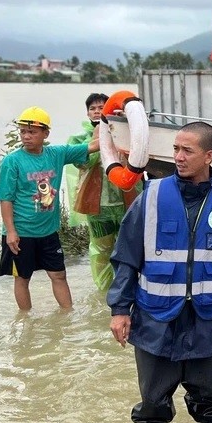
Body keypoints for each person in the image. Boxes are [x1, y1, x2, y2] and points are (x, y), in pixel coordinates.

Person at [107, 122, 212, 423]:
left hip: (208, 322)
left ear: (209, 156)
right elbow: (126, 258)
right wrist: (119, 309)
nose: (178, 156)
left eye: (187, 150)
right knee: (153, 402)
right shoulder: (151, 197)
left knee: (211, 400)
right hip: (155, 321)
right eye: (176, 149)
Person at [0, 106, 99, 311]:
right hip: (21, 232)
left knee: (59, 274)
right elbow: (5, 199)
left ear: (46, 134)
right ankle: (26, 321)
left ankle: (68, 316)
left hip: (48, 232)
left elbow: (93, 146)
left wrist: (105, 122)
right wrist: (11, 232)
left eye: (32, 132)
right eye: (23, 132)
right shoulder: (12, 162)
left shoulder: (56, 154)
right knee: (22, 278)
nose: (26, 136)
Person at [66, 93, 141, 292]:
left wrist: (120, 127)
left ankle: (129, 288)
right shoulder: (79, 138)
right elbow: (82, 163)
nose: (97, 111)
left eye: (101, 107)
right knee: (101, 250)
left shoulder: (125, 132)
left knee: (130, 246)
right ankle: (105, 292)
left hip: (128, 202)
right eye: (92, 108)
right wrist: (97, 137)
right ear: (87, 113)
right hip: (98, 206)